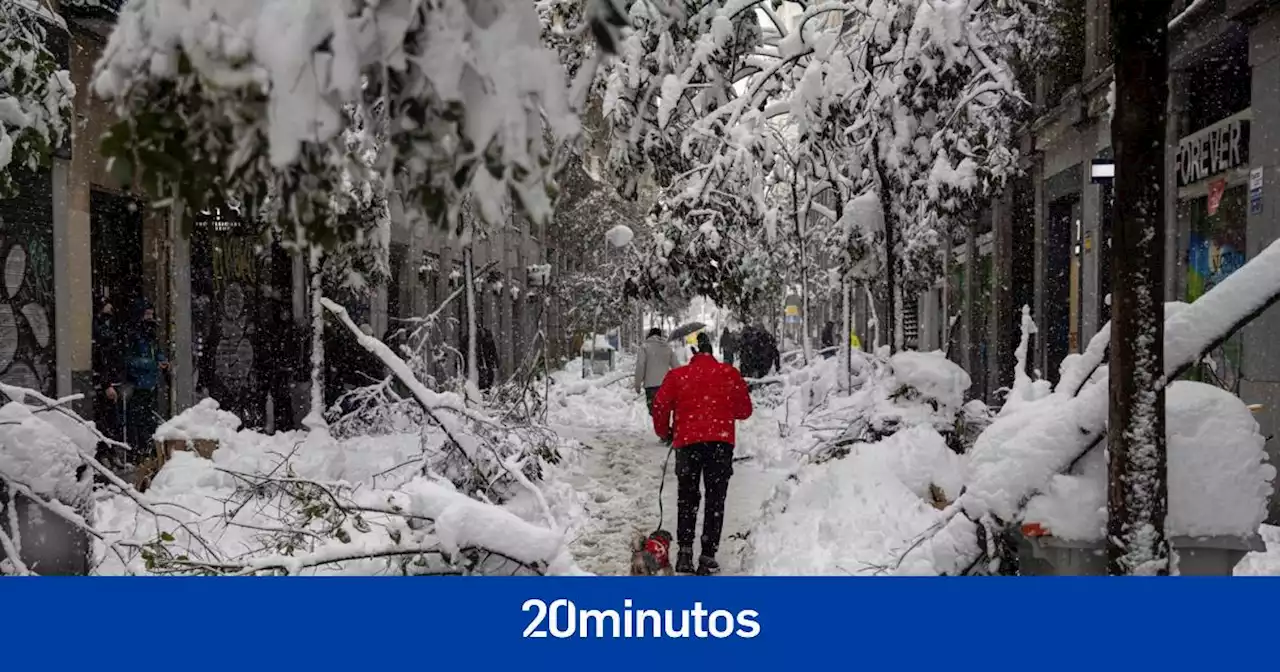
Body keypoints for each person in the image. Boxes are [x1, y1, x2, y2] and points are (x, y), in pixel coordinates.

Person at [651, 332, 753, 575]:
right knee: (715, 499)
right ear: (713, 354)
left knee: (687, 497)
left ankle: (685, 552)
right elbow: (744, 410)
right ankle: (707, 556)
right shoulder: (729, 374)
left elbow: (660, 405)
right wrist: (721, 410)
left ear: (694, 355)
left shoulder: (678, 375)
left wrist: (665, 431)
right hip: (720, 444)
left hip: (687, 445)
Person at [124, 302, 168, 461]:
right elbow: (129, 360)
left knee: (149, 418)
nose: (150, 318)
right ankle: (139, 450)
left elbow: (156, 351)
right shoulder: (133, 335)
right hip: (138, 384)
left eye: (151, 314)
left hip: (150, 383)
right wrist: (151, 363)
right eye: (147, 314)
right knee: (138, 420)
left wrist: (162, 360)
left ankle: (149, 449)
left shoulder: (151, 334)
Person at [92, 299, 127, 466]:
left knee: (113, 421)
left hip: (112, 379)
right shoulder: (98, 328)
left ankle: (111, 452)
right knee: (105, 420)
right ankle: (105, 453)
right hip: (106, 382)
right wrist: (106, 384)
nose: (111, 307)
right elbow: (100, 357)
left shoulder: (109, 325)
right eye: (107, 304)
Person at [634, 327, 676, 419]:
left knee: (654, 411)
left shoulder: (644, 347)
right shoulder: (668, 348)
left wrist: (637, 384)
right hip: (665, 386)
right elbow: (676, 367)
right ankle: (664, 430)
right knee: (664, 411)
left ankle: (659, 430)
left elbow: (641, 366)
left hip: (651, 386)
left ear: (649, 335)